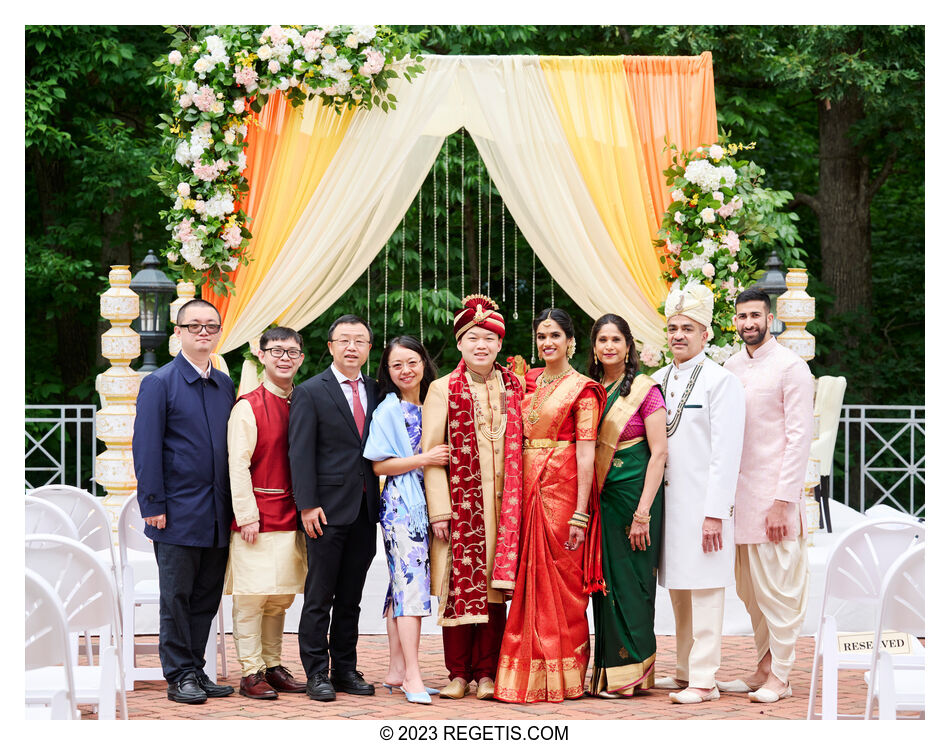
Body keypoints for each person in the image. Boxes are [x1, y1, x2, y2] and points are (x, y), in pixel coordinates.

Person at [495, 308, 606, 704]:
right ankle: (522, 673)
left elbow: (587, 453)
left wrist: (580, 511)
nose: (547, 343)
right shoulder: (527, 383)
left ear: (570, 341)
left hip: (562, 490)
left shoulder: (583, 388)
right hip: (524, 488)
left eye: (555, 336)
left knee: (562, 582)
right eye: (542, 336)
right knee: (528, 582)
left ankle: (565, 675)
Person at [132, 298, 236, 705]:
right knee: (176, 596)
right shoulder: (160, 383)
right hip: (175, 512)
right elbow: (146, 448)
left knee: (206, 596)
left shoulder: (223, 383)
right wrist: (152, 504)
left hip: (216, 511)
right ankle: (178, 675)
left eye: (211, 325)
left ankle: (196, 668)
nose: (204, 332)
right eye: (194, 326)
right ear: (178, 332)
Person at [421, 295, 524, 701]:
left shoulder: (516, 386)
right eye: (472, 338)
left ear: (500, 345)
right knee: (459, 590)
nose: (481, 345)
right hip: (462, 512)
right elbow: (432, 455)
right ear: (460, 344)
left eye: (489, 338)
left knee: (496, 590)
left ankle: (488, 673)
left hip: (506, 510)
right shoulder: (442, 388)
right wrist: (440, 511)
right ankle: (458, 673)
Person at [651, 283, 745, 705]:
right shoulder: (656, 379)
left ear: (706, 334)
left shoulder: (721, 382)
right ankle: (686, 668)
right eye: (672, 328)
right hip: (668, 508)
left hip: (704, 506)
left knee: (706, 589)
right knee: (679, 589)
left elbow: (726, 454)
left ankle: (705, 680)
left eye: (687, 328)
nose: (678, 335)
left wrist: (715, 513)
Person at [720, 288, 814, 703]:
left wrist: (783, 501)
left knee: (779, 589)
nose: (747, 323)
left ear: (770, 317)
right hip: (738, 499)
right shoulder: (730, 365)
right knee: (751, 590)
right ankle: (763, 666)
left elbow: (799, 439)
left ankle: (782, 674)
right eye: (741, 316)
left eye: (755, 315)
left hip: (774, 500)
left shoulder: (791, 368)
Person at [288, 314, 379, 702]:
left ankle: (344, 668)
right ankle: (315, 674)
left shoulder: (377, 390)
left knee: (351, 597)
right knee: (319, 595)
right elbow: (300, 453)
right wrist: (307, 505)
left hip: (365, 508)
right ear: (330, 347)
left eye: (360, 340)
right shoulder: (310, 391)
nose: (352, 347)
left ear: (369, 348)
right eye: (344, 340)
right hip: (325, 511)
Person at [363, 336, 449, 705]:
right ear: (388, 370)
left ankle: (396, 669)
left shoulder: (434, 402)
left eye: (411, 362)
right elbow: (379, 464)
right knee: (410, 588)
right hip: (402, 507)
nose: (405, 370)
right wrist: (424, 459)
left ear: (423, 363)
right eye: (396, 365)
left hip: (429, 502)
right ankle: (413, 675)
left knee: (398, 586)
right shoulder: (388, 411)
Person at [225, 327, 309, 700]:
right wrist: (246, 515)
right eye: (276, 351)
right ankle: (250, 671)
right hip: (256, 517)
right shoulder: (249, 405)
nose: (284, 358)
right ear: (261, 355)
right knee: (251, 596)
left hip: (292, 514)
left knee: (280, 597)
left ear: (302, 358)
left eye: (292, 351)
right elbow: (237, 464)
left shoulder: (303, 401)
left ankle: (273, 666)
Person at [586, 314, 668, 698]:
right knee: (605, 584)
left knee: (634, 584)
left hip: (637, 499)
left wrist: (643, 514)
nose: (609, 346)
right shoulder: (591, 389)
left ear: (628, 345)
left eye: (616, 339)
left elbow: (659, 453)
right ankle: (611, 673)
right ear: (594, 346)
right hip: (602, 499)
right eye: (602, 339)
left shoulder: (645, 390)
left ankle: (633, 672)